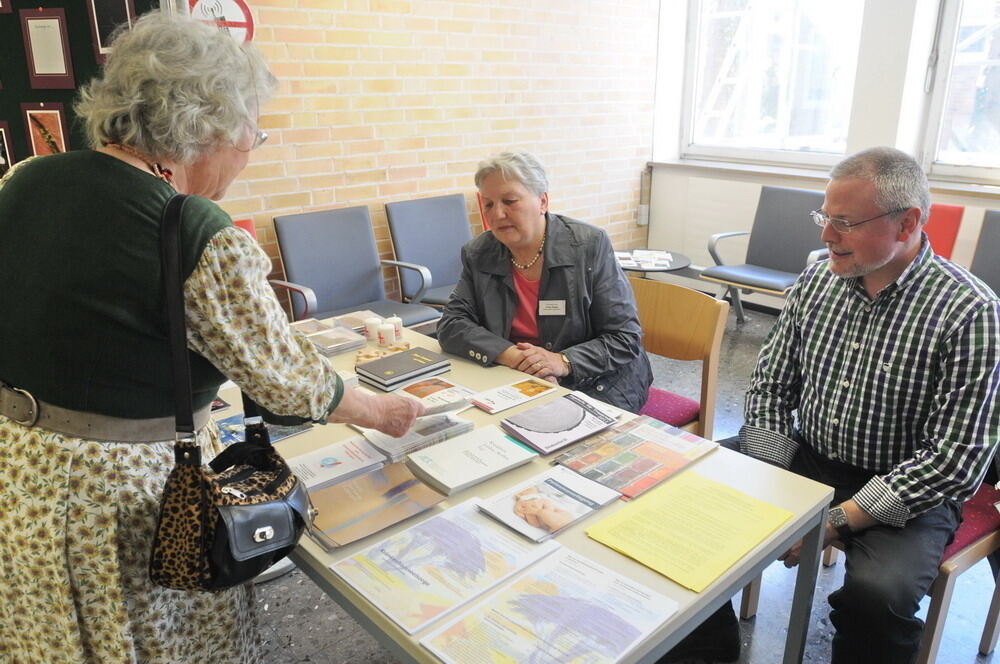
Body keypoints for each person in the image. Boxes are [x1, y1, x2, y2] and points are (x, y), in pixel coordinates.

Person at [0, 12, 422, 664]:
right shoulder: (192, 227)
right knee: (155, 641)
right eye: (253, 130)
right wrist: (381, 410)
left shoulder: (22, 180)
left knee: (53, 639)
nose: (251, 149)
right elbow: (285, 383)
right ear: (210, 124)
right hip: (120, 498)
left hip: (21, 472)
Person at [739, 147, 1000, 664]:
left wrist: (834, 521)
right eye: (824, 217)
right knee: (694, 509)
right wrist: (771, 482)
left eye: (844, 222)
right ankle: (708, 648)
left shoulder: (970, 311)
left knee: (877, 599)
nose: (825, 236)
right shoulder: (817, 281)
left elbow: (954, 461)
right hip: (808, 457)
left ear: (907, 223)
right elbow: (770, 386)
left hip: (908, 489)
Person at [437, 151, 652, 413]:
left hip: (598, 380)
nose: (497, 214)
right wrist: (514, 356)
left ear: (542, 201)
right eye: (489, 204)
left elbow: (624, 338)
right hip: (519, 378)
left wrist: (563, 361)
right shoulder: (479, 253)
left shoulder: (588, 246)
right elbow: (451, 325)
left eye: (510, 201)